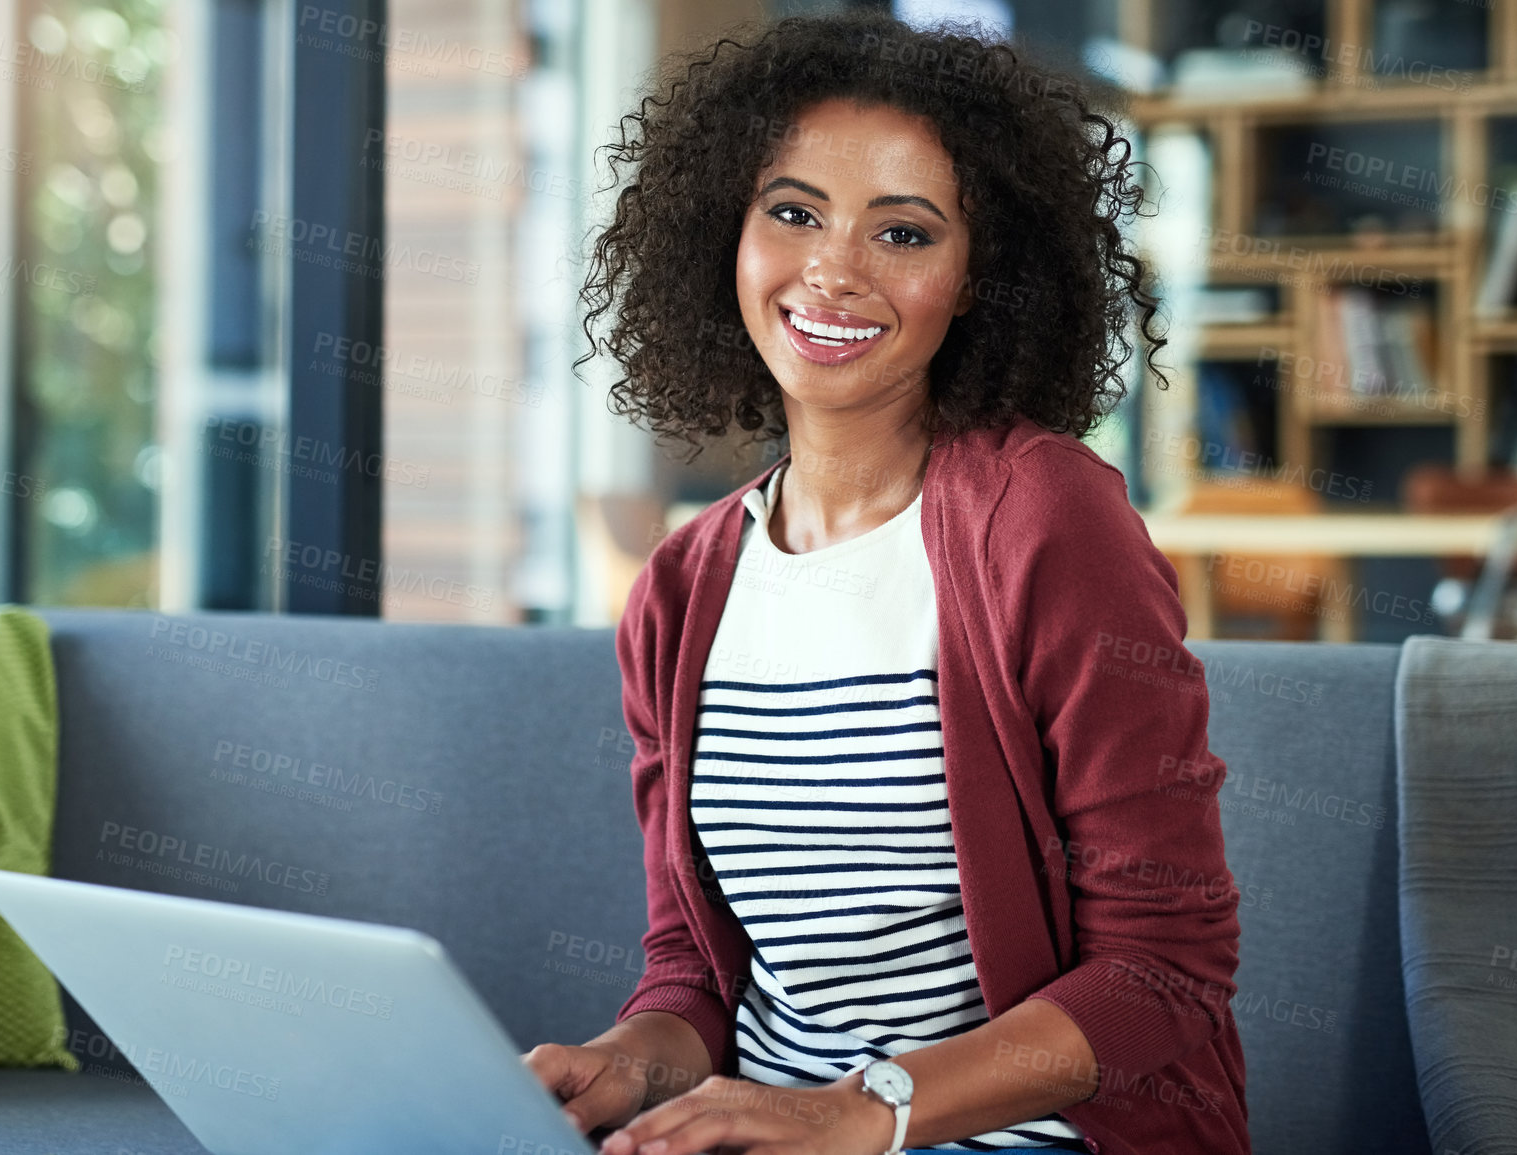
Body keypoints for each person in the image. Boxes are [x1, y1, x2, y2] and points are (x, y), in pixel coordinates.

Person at [524, 10, 1249, 1155]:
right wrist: (627, 1064)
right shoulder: (680, 589)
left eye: (903, 234)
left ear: (976, 281)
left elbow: (1164, 973)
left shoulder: (1048, 522)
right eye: (794, 212)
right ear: (729, 231)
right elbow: (694, 977)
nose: (833, 270)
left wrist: (856, 1114)